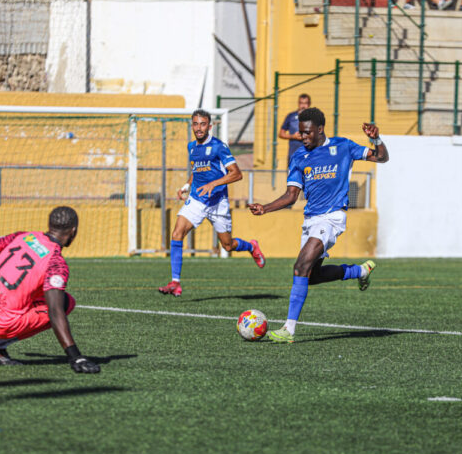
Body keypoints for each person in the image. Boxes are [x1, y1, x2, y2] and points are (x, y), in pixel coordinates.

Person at [248, 108, 389, 343]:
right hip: (311, 220)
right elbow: (291, 196)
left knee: (300, 265)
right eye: (300, 133)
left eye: (306, 133)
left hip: (332, 218)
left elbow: (381, 157)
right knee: (311, 276)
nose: (302, 137)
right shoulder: (299, 157)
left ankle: (288, 330)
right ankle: (360, 271)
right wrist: (265, 208)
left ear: (320, 129)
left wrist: (376, 138)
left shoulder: (343, 147)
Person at [0, 206, 99, 373]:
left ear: (50, 225)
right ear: (73, 231)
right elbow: (55, 311)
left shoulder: (24, 236)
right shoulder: (56, 263)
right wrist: (75, 356)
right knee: (66, 302)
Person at [159, 109, 265, 297]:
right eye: (195, 124)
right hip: (198, 200)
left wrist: (213, 184)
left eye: (202, 124)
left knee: (227, 245)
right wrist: (186, 185)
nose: (198, 128)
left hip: (218, 203)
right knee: (177, 233)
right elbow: (198, 171)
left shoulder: (219, 147)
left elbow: (236, 173)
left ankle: (251, 247)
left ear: (209, 126)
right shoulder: (191, 147)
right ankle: (175, 282)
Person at [279, 93, 312, 164]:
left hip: (309, 155)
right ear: (298, 104)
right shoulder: (291, 116)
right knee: (292, 174)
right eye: (301, 103)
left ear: (309, 104)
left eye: (305, 103)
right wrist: (293, 136)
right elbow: (281, 133)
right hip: (293, 154)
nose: (303, 106)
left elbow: (319, 135)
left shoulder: (314, 117)